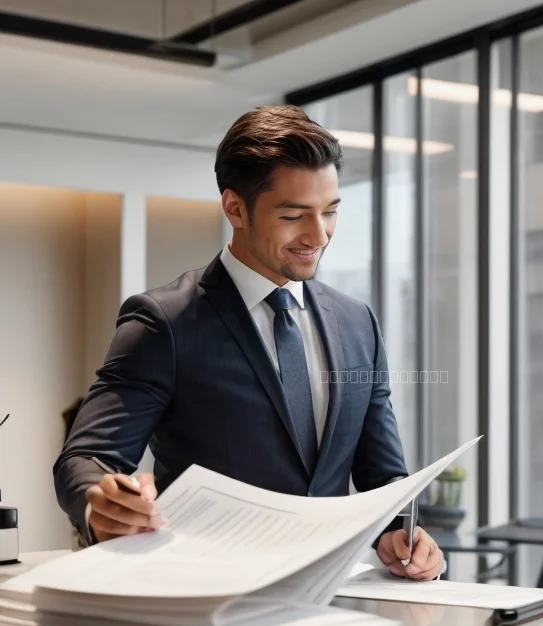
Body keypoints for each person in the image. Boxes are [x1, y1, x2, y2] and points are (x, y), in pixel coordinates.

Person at [53, 105, 444, 581]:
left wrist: (403, 533)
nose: (318, 235)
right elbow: (86, 458)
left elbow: (384, 476)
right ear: (235, 207)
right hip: (205, 591)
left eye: (330, 212)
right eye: (294, 215)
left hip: (332, 595)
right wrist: (102, 502)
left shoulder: (357, 321)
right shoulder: (164, 321)